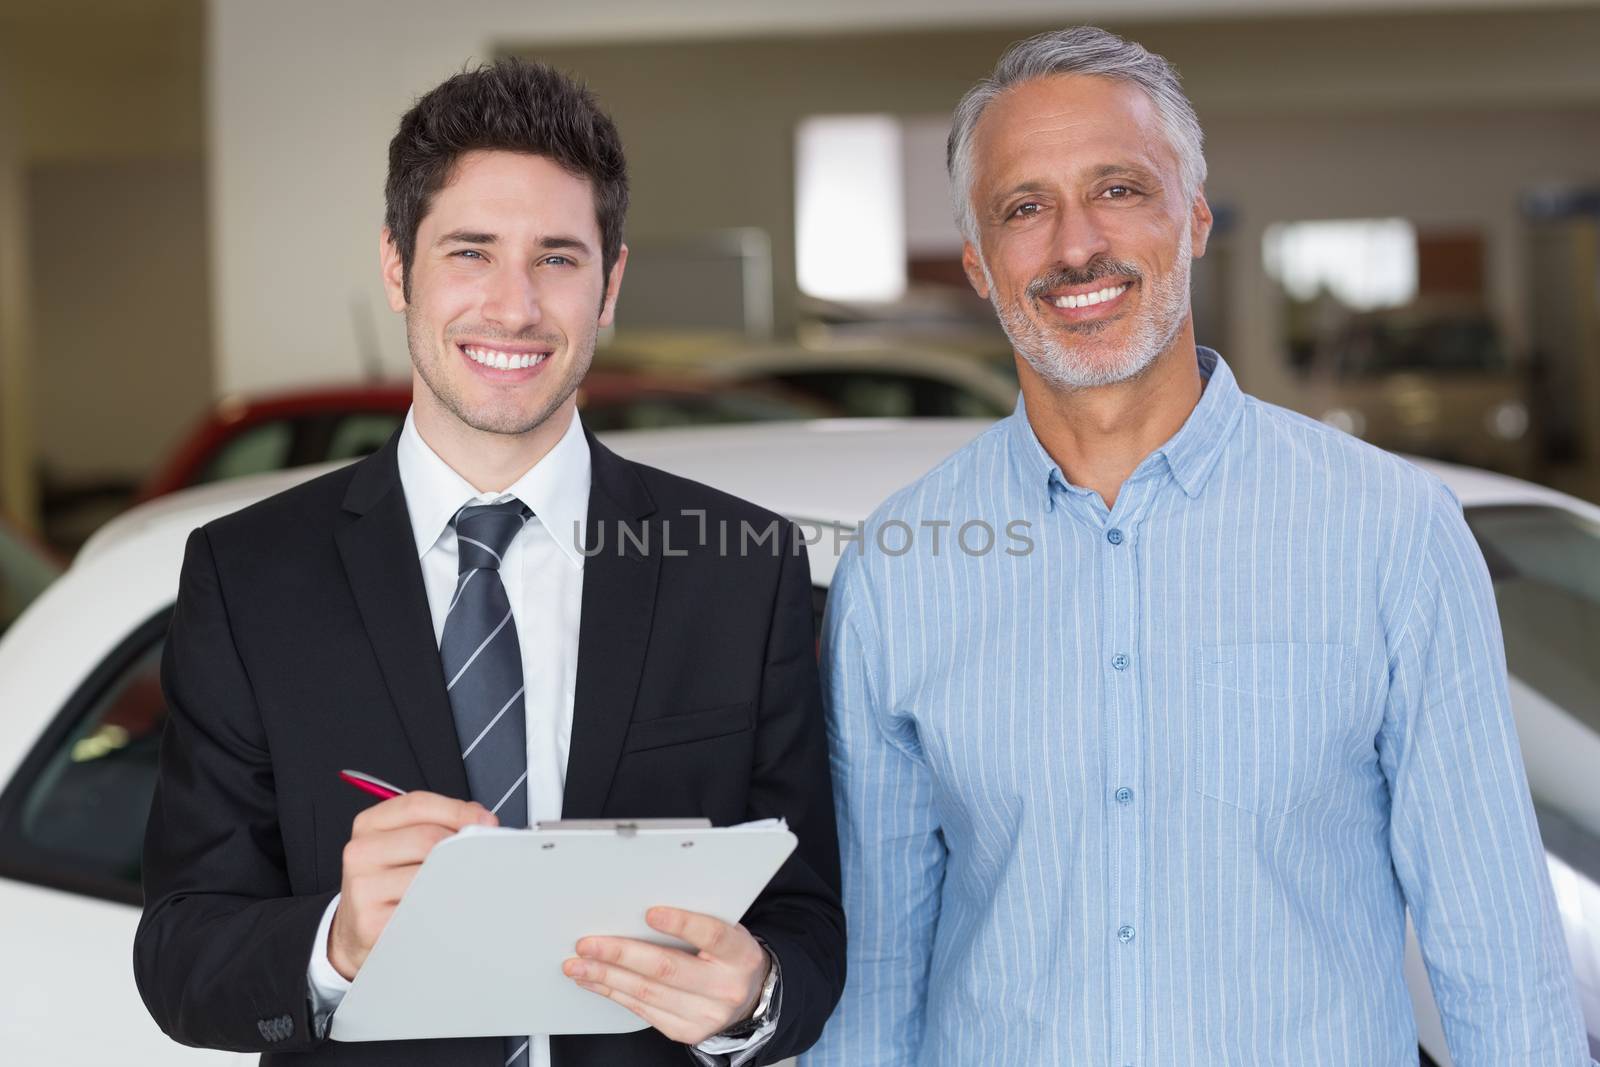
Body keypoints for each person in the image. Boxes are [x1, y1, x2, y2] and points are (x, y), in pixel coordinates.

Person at [804, 25, 1590, 1067]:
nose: (1075, 243)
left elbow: (1495, 951)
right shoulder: (898, 567)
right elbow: (875, 979)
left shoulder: (1388, 530)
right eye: (1024, 207)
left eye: (1119, 188)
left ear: (1196, 219)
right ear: (981, 267)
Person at [134, 59, 843, 1067]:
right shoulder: (248, 576)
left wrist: (754, 997)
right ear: (396, 266)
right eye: (471, 251)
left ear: (611, 284)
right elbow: (179, 955)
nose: (512, 308)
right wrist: (336, 941)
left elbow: (809, 923)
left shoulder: (739, 565)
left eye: (557, 258)